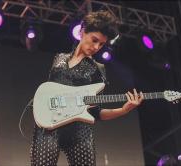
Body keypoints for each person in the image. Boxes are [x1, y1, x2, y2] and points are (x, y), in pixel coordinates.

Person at [30, 10, 144, 166]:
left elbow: (97, 113)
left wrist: (124, 110)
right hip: (50, 127)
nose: (96, 47)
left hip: (80, 132)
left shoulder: (98, 69)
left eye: (102, 44)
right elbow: (49, 91)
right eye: (94, 40)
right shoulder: (59, 58)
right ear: (83, 31)